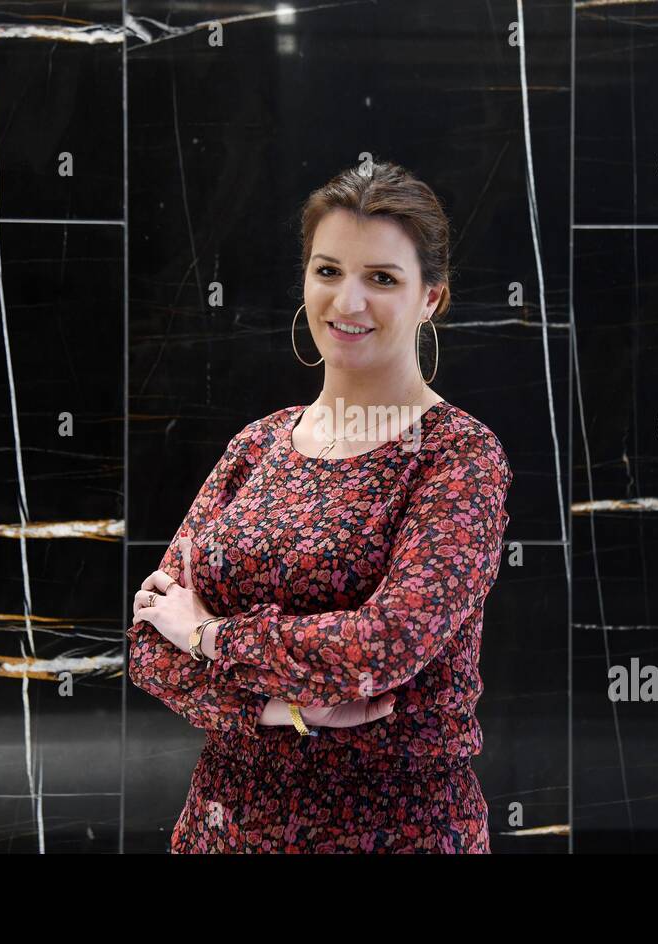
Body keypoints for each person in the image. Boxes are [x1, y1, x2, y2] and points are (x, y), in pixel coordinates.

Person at [126, 160, 512, 853]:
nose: (348, 301)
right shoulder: (259, 444)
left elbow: (381, 649)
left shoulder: (458, 455)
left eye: (382, 279)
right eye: (328, 271)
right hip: (222, 827)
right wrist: (282, 711)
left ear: (432, 298)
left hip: (392, 831)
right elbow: (150, 645)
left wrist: (211, 637)